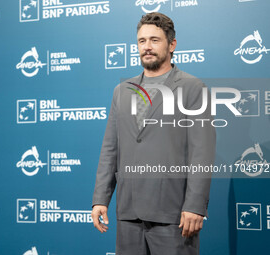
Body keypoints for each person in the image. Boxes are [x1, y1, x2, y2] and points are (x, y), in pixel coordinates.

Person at [91, 12, 216, 255]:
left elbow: (202, 153)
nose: (147, 47)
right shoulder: (122, 91)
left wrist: (195, 206)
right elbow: (110, 150)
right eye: (142, 41)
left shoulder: (192, 88)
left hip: (174, 215)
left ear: (172, 45)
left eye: (155, 40)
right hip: (128, 214)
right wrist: (100, 199)